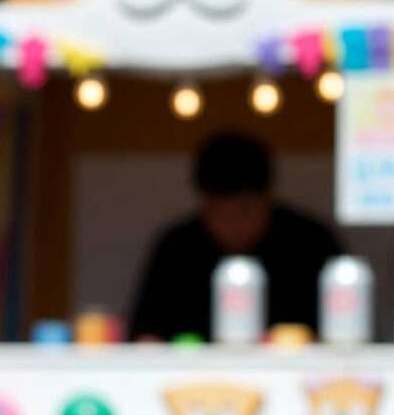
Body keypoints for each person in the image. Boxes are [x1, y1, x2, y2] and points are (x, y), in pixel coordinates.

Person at [128, 133, 344, 341]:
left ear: (267, 200)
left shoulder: (309, 244)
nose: (233, 225)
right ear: (203, 204)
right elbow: (145, 335)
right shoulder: (176, 250)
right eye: (219, 213)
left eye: (244, 211)